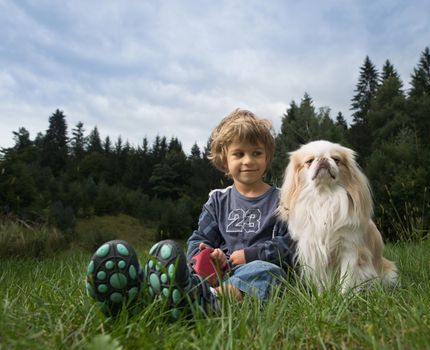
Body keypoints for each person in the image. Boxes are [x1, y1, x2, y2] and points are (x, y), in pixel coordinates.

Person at [85, 109, 294, 318]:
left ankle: (206, 300)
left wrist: (251, 255)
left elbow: (292, 245)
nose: (248, 161)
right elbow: (200, 238)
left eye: (256, 153)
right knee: (184, 269)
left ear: (267, 157)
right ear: (224, 160)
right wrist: (206, 257)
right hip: (216, 275)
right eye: (239, 154)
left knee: (268, 273)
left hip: (253, 276)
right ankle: (138, 295)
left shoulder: (283, 200)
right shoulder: (218, 201)